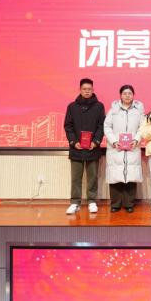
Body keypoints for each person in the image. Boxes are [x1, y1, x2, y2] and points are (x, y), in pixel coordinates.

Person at [63, 78, 105, 215]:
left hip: (93, 147)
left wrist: (96, 141)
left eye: (89, 89)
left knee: (92, 176)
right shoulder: (72, 107)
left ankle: (92, 201)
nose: (87, 91)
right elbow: (68, 126)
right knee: (76, 177)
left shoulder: (99, 106)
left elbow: (101, 126)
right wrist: (74, 141)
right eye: (84, 89)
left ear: (93, 90)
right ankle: (75, 202)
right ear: (80, 90)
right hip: (76, 148)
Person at [102, 85, 144, 212]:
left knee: (130, 175)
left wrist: (136, 140)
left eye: (130, 93)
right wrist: (114, 141)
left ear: (133, 95)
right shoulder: (113, 110)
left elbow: (142, 127)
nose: (127, 96)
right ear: (120, 95)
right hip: (116, 148)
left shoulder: (138, 111)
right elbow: (107, 126)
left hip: (132, 148)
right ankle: (115, 204)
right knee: (116, 175)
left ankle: (129, 204)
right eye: (125, 93)